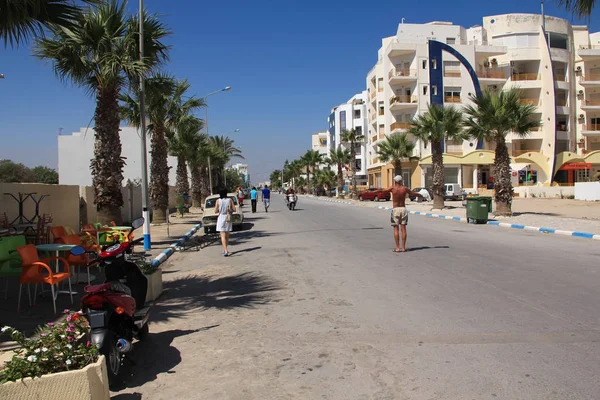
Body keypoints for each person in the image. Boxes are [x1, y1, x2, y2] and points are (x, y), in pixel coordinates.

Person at [385, 175, 423, 253]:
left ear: (395, 181)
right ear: (401, 181)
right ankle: (403, 248)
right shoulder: (405, 188)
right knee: (403, 229)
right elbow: (413, 193)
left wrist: (370, 191)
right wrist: (421, 195)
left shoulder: (392, 188)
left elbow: (381, 191)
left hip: (395, 209)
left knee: (396, 229)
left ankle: (397, 248)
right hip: (403, 209)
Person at [214, 188, 235, 256]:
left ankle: (225, 250)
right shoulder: (230, 200)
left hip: (221, 217)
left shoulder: (218, 201)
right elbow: (234, 209)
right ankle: (225, 249)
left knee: (222, 235)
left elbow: (215, 211)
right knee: (227, 235)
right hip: (228, 217)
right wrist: (229, 209)